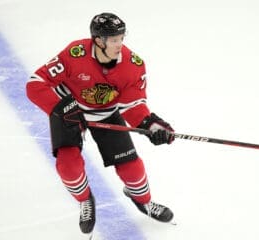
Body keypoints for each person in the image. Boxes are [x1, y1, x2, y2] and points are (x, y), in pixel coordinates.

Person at [26, 12, 175, 235]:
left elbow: (133, 105)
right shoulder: (74, 54)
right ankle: (85, 200)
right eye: (114, 39)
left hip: (106, 112)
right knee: (68, 165)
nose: (120, 44)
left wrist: (151, 125)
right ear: (98, 40)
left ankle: (143, 201)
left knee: (132, 169)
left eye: (121, 38)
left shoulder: (133, 65)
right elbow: (35, 84)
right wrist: (61, 110)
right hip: (68, 111)